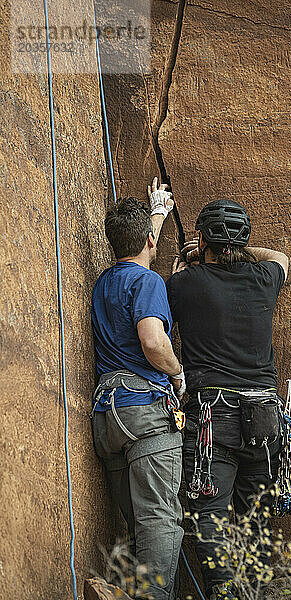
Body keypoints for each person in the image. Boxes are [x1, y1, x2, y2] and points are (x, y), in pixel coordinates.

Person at [166, 199, 289, 600]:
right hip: (265, 420)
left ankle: (223, 593)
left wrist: (191, 260)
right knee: (257, 523)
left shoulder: (185, 284)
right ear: (245, 238)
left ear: (202, 238)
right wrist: (242, 248)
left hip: (211, 421)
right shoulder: (264, 278)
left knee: (210, 520)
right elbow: (281, 257)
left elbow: (169, 292)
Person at [91, 177, 185, 600]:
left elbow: (138, 249)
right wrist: (178, 374)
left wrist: (158, 212)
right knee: (160, 519)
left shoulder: (104, 283)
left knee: (133, 523)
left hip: (107, 418)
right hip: (145, 411)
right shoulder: (150, 284)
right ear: (149, 240)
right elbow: (152, 341)